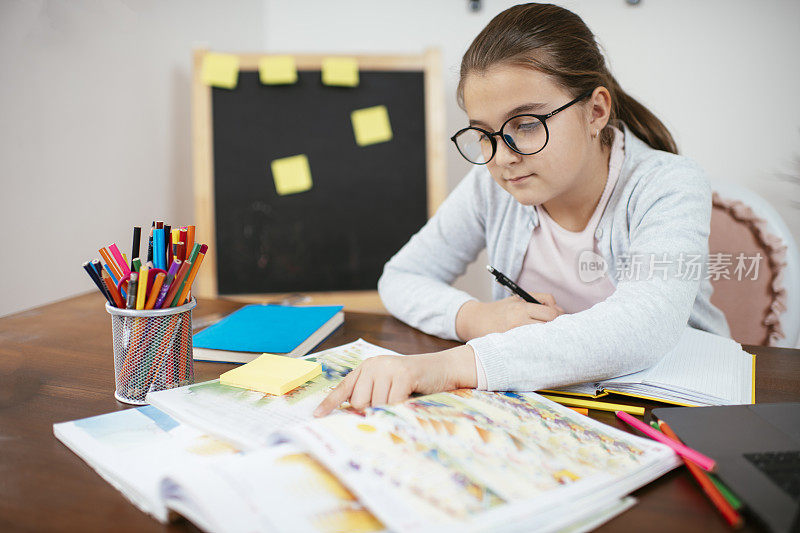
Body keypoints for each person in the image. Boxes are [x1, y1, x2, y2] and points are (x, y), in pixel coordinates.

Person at [314, 2, 730, 417]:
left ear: (595, 112)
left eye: (526, 124)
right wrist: (473, 317)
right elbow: (402, 277)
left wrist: (451, 365)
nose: (501, 157)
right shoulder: (493, 186)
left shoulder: (669, 183)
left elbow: (644, 326)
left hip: (676, 413)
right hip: (549, 408)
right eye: (484, 134)